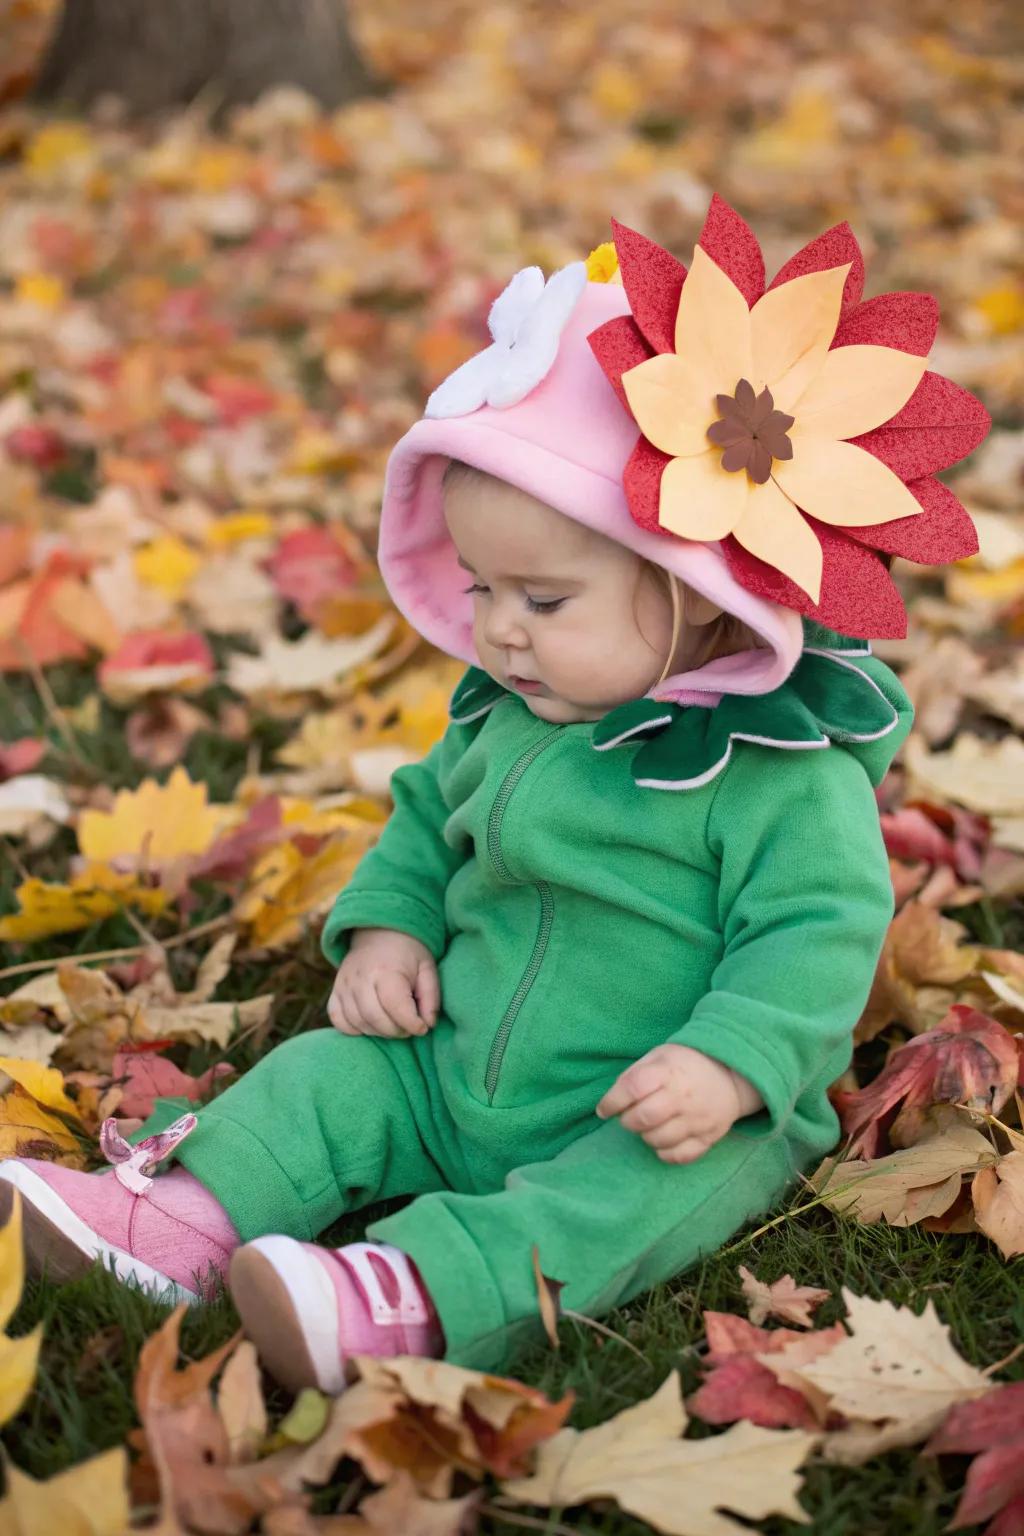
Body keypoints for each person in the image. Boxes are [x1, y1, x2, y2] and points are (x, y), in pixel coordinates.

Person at [0, 196, 989, 1396]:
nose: (499, 632)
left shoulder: (778, 778)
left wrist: (729, 1065)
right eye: (480, 587)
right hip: (448, 1059)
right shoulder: (511, 715)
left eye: (544, 599)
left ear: (697, 596)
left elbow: (816, 938)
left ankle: (411, 1296)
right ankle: (181, 1223)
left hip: (653, 1105)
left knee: (622, 1202)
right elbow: (425, 817)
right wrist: (389, 926)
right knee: (329, 1077)